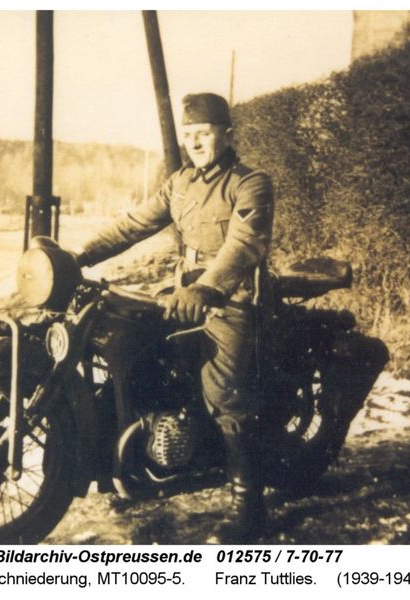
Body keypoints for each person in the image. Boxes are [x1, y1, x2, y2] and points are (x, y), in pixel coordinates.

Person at [76, 92, 274, 543]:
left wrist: (208, 288)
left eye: (204, 133)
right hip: (184, 294)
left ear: (227, 134)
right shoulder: (181, 182)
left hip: (232, 298)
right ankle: (143, 457)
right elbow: (134, 223)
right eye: (189, 135)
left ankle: (249, 508)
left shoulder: (250, 183)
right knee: (132, 347)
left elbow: (244, 246)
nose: (195, 143)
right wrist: (82, 255)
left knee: (223, 390)